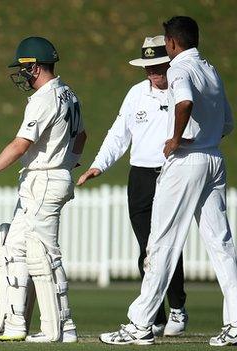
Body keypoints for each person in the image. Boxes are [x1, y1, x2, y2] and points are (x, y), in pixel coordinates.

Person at [100, 16, 236, 346]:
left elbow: (185, 101)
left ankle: (140, 325)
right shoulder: (210, 69)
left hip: (186, 163)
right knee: (222, 246)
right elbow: (228, 123)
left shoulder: (179, 69)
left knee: (160, 243)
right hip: (214, 159)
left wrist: (177, 138)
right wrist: (201, 140)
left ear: (172, 43)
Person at [0, 36, 87, 343]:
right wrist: (70, 164)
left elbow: (20, 145)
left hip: (44, 180)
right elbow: (82, 136)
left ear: (37, 67)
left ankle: (59, 327)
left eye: (25, 68)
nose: (22, 75)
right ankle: (15, 324)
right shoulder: (69, 94)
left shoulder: (45, 98)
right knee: (13, 248)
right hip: (45, 178)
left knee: (44, 254)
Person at [77, 35, 188, 337]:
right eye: (148, 68)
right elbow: (118, 135)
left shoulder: (182, 90)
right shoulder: (136, 94)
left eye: (159, 67)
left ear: (170, 63)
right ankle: (155, 315)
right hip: (139, 177)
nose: (154, 74)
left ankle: (178, 306)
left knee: (166, 245)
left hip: (172, 174)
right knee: (146, 250)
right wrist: (98, 165)